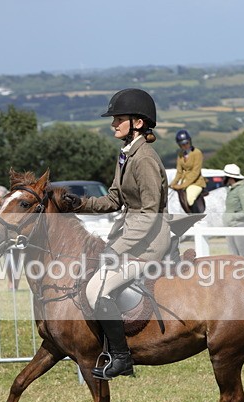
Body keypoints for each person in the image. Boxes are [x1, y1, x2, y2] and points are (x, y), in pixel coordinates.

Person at [65, 88, 170, 381]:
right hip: (132, 237)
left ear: (137, 122)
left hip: (148, 243)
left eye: (118, 119)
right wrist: (79, 204)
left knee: (96, 289)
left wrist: (118, 247)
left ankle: (122, 358)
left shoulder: (145, 159)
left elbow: (150, 212)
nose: (113, 124)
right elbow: (113, 200)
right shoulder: (126, 155)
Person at [170, 129, 207, 213]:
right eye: (182, 144)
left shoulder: (197, 153)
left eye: (187, 143)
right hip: (185, 181)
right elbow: (179, 172)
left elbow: (195, 172)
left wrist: (182, 186)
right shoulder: (180, 154)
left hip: (196, 182)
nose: (185, 145)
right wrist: (173, 183)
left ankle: (197, 218)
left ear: (190, 141)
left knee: (190, 198)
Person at [222, 164, 244, 258]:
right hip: (230, 226)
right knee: (233, 255)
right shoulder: (232, 189)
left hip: (239, 225)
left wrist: (232, 217)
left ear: (230, 178)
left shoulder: (242, 189)